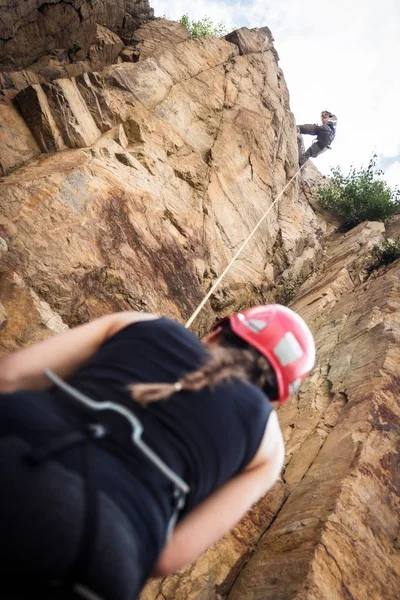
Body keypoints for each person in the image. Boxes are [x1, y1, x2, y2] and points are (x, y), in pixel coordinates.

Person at [0, 304, 315, 600]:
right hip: (103, 551)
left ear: (216, 334)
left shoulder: (139, 323)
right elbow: (167, 559)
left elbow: (8, 377)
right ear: (276, 398)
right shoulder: (269, 447)